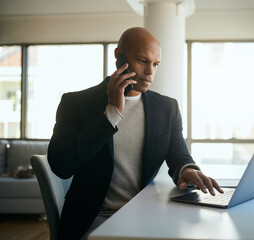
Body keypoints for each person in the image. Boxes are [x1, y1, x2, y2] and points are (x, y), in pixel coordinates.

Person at [47, 27, 223, 240]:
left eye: (156, 64)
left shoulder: (167, 108)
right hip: (93, 220)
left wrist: (187, 170)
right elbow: (61, 165)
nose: (150, 71)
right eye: (143, 60)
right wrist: (111, 113)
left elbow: (179, 157)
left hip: (146, 216)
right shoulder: (75, 103)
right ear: (119, 56)